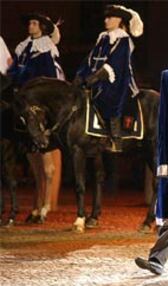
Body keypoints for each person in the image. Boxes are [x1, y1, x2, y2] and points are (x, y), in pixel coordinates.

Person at [7, 13, 64, 224]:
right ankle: (35, 204)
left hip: (36, 98)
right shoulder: (23, 47)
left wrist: (25, 79)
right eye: (29, 23)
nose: (30, 26)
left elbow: (47, 75)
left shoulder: (45, 46)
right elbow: (13, 70)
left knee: (45, 159)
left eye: (34, 23)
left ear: (41, 27)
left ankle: (46, 205)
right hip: (21, 95)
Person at [74, 4, 143, 152]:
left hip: (116, 80)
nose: (106, 20)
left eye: (110, 17)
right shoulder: (103, 38)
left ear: (119, 20)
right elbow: (90, 58)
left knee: (111, 98)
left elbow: (116, 63)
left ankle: (115, 138)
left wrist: (94, 78)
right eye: (106, 17)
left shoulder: (123, 39)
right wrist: (81, 75)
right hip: (97, 79)